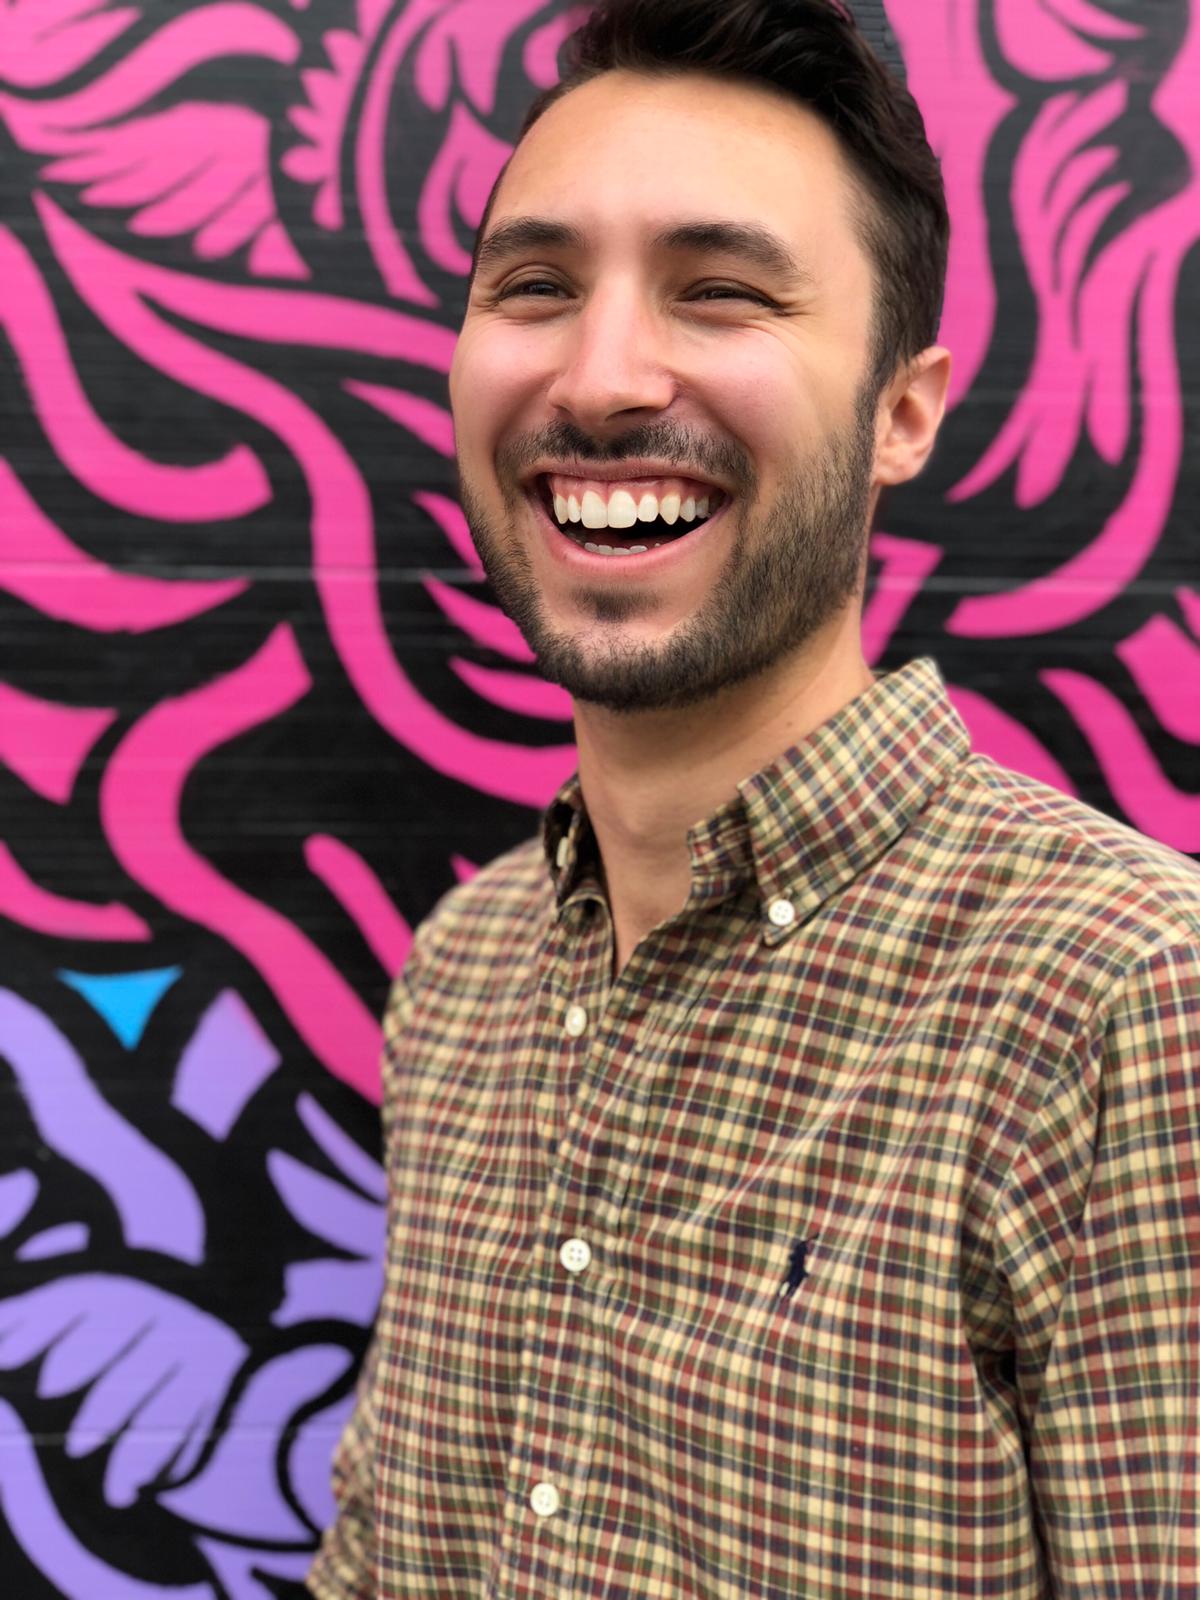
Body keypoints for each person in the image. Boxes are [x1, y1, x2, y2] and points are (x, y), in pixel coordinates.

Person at [308, 1, 1200, 1594]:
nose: (601, 379)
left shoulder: (1128, 1002)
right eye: (535, 288)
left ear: (901, 414)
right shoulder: (465, 973)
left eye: (721, 293)